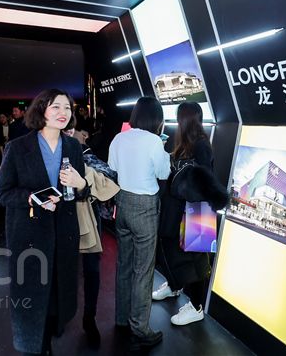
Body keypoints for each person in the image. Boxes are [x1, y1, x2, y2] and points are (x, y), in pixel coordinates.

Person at [0, 89, 89, 355]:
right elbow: (1, 194)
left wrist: (81, 183)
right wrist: (33, 198)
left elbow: (81, 193)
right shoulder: (17, 148)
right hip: (30, 236)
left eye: (67, 108)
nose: (63, 113)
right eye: (56, 107)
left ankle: (48, 337)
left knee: (58, 294)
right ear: (41, 110)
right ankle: (37, 345)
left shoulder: (73, 146)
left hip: (64, 234)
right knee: (34, 299)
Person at [152, 102, 227, 326]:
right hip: (184, 207)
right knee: (179, 255)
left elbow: (204, 179)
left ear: (184, 120)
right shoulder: (186, 144)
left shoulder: (201, 145)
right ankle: (175, 287)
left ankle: (196, 307)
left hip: (199, 209)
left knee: (197, 261)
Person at [109, 97, 170, 351]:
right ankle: (140, 329)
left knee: (124, 264)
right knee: (143, 270)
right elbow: (163, 173)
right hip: (144, 207)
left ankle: (122, 318)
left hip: (122, 203)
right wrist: (163, 151)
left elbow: (112, 168)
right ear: (156, 119)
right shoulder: (155, 141)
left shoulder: (119, 138)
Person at [66, 127, 120, 349]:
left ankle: (89, 318)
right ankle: (58, 316)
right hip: (59, 218)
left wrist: (84, 177)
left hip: (87, 216)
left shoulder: (84, 153)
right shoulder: (44, 152)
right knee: (62, 269)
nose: (67, 133)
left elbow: (109, 175)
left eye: (70, 129)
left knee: (92, 269)